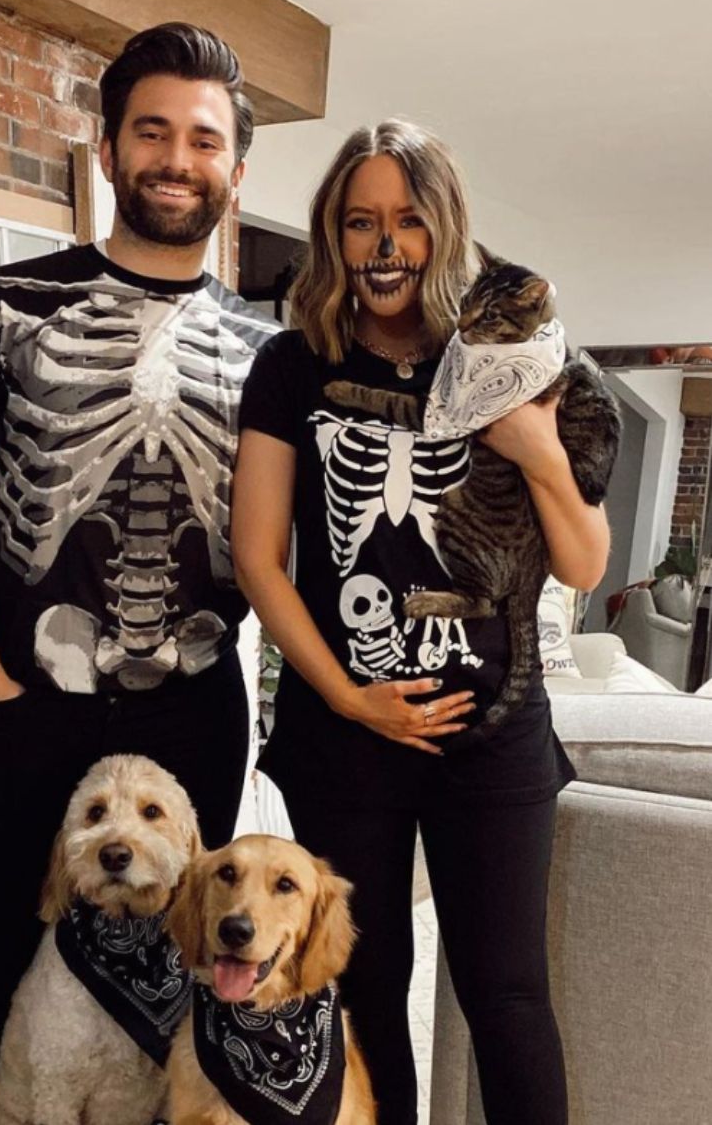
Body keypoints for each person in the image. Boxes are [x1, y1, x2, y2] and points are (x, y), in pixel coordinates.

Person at [0, 22, 278, 1125]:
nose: (176, 158)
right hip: (27, 700)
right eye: (151, 132)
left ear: (235, 171)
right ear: (109, 149)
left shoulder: (269, 353)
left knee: (197, 958)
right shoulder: (3, 307)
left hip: (200, 714)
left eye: (203, 141)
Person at [232, 120, 610, 1125]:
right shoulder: (290, 367)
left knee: (509, 999)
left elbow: (583, 560)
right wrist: (351, 696)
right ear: (334, 237)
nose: (384, 244)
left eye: (406, 219)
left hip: (492, 737)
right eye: (360, 222)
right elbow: (259, 559)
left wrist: (535, 447)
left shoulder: (513, 360)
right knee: (362, 992)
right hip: (344, 733)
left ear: (443, 229)